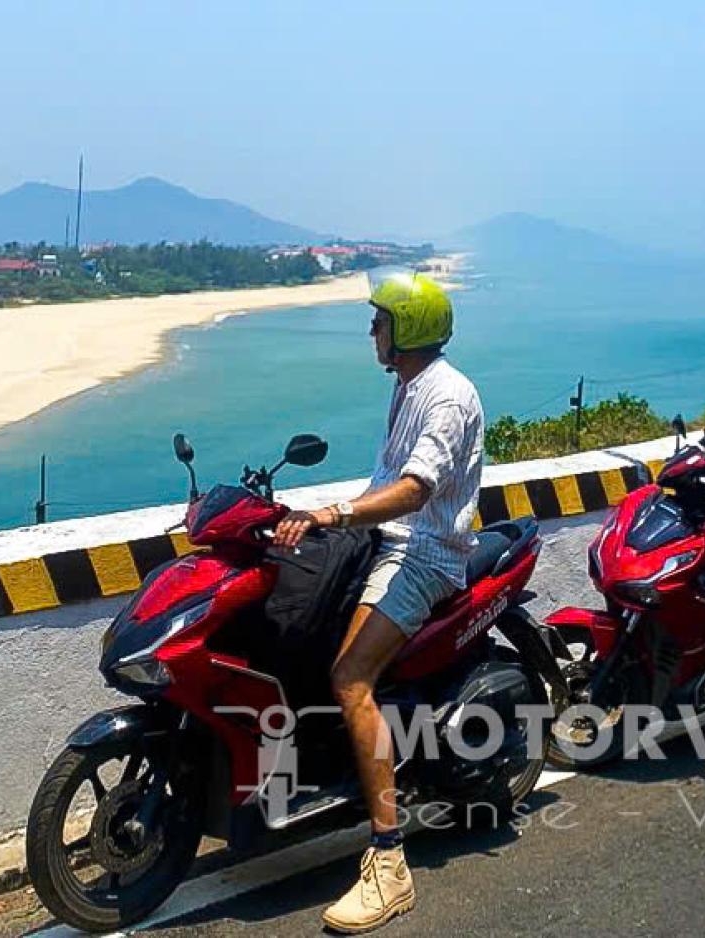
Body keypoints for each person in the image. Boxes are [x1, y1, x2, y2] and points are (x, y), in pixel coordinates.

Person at [273, 269, 482, 934]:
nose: (372, 331)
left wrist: (335, 514)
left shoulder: (446, 397)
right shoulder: (408, 385)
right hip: (383, 541)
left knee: (350, 677)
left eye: (380, 322)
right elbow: (387, 481)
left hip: (422, 554)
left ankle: (389, 860)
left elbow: (417, 490)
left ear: (408, 330)